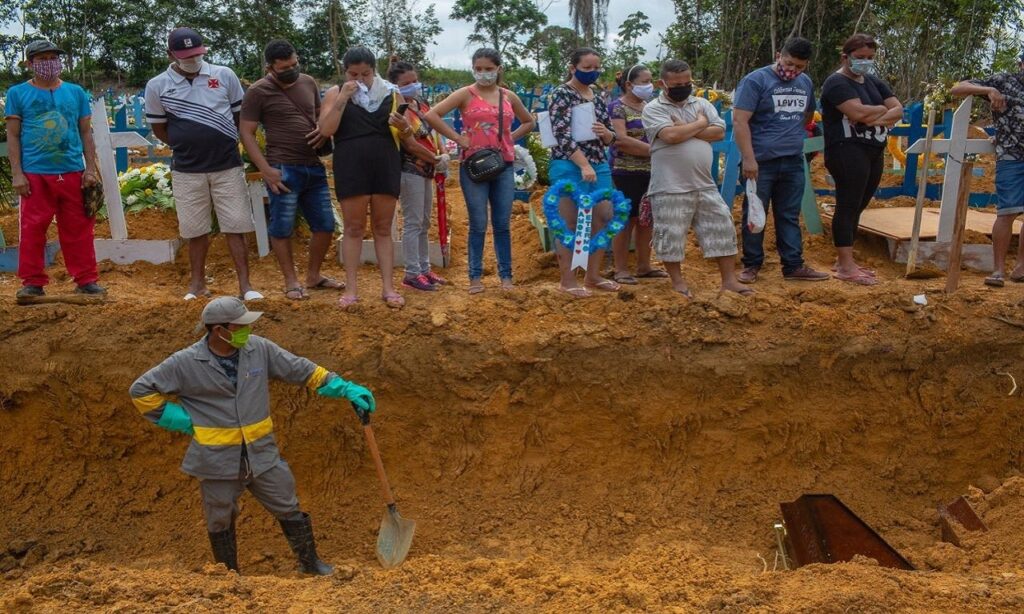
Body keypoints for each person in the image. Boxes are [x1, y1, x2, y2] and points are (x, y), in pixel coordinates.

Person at [129, 296, 376, 575]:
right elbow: (141, 391)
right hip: (216, 460)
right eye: (239, 326)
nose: (246, 330)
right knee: (220, 517)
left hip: (261, 454)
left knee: (287, 503)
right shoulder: (185, 362)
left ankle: (311, 564)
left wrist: (344, 388)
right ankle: (228, 574)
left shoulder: (258, 349)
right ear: (218, 330)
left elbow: (303, 370)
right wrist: (181, 420)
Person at [145, 27, 263, 301]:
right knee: (194, 229)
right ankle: (196, 285)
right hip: (187, 169)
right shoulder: (157, 85)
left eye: (197, 54)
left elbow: (239, 117)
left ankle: (245, 286)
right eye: (186, 56)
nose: (193, 60)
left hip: (227, 165)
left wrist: (220, 138)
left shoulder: (224, 76)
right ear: (170, 55)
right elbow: (160, 128)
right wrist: (185, 143)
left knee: (236, 225)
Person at [424, 48, 535, 294]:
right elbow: (432, 115)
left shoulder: (508, 96)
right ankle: (475, 277)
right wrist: (457, 138)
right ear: (473, 68)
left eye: (489, 69)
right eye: (479, 68)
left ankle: (506, 276)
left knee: (502, 223)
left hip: (503, 164)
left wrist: (509, 139)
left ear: (498, 69)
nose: (484, 73)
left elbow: (529, 121)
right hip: (473, 165)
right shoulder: (465, 94)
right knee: (477, 223)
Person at [240, 39, 343, 301]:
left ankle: (313, 276)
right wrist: (265, 169)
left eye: (295, 64)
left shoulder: (308, 82)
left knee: (325, 225)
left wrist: (323, 131)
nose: (292, 70)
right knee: (282, 227)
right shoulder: (258, 92)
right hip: (282, 168)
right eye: (285, 67)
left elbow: (321, 115)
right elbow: (247, 133)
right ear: (270, 68)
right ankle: (290, 281)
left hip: (313, 166)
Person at [5, 39, 105, 300]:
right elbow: (13, 136)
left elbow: (86, 132)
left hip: (72, 170)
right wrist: (17, 173)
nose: (49, 63)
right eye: (42, 59)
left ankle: (86, 280)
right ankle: (32, 282)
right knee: (33, 228)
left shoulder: (75, 93)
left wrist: (90, 169)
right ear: (30, 64)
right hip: (35, 174)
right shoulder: (17, 94)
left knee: (79, 228)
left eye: (53, 57)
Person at [319, 47, 418, 308]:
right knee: (353, 228)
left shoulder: (391, 93)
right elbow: (326, 129)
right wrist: (343, 98)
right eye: (354, 74)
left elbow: (408, 135)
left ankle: (388, 287)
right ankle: (351, 289)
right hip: (350, 164)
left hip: (385, 162)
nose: (360, 79)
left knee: (383, 228)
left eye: (365, 73)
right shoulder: (335, 92)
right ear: (345, 72)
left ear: (374, 70)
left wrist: (404, 127)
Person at [642, 60, 750, 298]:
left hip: (704, 183)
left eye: (686, 83)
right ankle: (678, 282)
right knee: (671, 234)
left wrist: (686, 128)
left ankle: (729, 281)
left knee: (722, 227)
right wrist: (700, 123)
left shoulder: (701, 103)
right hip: (669, 185)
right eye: (676, 84)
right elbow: (670, 135)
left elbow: (720, 131)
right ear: (663, 83)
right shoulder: (653, 108)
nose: (683, 87)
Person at [733, 36, 829, 284]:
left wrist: (790, 136)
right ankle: (752, 265)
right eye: (789, 63)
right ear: (778, 55)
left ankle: (793, 266)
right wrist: (749, 159)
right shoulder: (756, 81)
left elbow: (808, 115)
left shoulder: (805, 83)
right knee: (754, 214)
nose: (793, 70)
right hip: (761, 161)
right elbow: (740, 121)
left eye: (799, 66)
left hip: (793, 161)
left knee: (788, 214)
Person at [820, 33, 903, 285]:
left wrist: (873, 114)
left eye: (870, 58)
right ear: (845, 57)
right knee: (847, 203)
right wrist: (879, 111)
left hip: (874, 149)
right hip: (846, 149)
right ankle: (845, 266)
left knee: (860, 205)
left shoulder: (873, 82)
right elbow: (856, 112)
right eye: (860, 58)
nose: (865, 62)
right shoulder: (836, 83)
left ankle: (846, 260)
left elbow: (898, 109)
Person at [546, 47, 621, 297]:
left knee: (603, 216)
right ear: (572, 67)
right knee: (568, 221)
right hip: (569, 164)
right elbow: (561, 135)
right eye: (586, 67)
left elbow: (611, 135)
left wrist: (606, 133)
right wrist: (583, 164)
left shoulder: (598, 96)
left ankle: (593, 275)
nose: (592, 72)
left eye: (596, 67)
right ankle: (568, 281)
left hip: (599, 163)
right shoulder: (561, 94)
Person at [951, 52, 1024, 287]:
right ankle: (998, 270)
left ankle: (1021, 267)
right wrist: (988, 91)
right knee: (1007, 211)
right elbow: (958, 88)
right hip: (1011, 156)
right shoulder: (1003, 80)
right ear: (1020, 64)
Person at [387, 56, 450, 292]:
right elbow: (409, 143)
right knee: (413, 222)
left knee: (424, 221)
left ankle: (424, 269)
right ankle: (411, 273)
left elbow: (434, 132)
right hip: (410, 169)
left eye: (415, 80)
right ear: (395, 85)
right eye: (407, 83)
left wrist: (442, 153)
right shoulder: (397, 110)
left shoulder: (420, 104)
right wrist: (435, 159)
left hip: (427, 170)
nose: (414, 85)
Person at [607, 64, 664, 284]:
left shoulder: (650, 107)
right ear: (629, 84)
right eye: (644, 82)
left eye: (651, 80)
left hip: (652, 171)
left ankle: (644, 266)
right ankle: (620, 269)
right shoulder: (617, 108)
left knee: (646, 220)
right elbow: (620, 140)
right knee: (625, 220)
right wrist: (656, 151)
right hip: (625, 171)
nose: (649, 85)